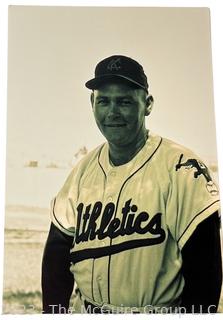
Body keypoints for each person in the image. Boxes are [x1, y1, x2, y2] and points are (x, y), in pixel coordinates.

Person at [41, 55, 222, 314]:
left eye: (124, 101)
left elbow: (206, 270)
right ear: (93, 103)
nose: (113, 112)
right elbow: (57, 255)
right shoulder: (83, 171)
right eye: (104, 101)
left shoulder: (181, 167)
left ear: (147, 104)